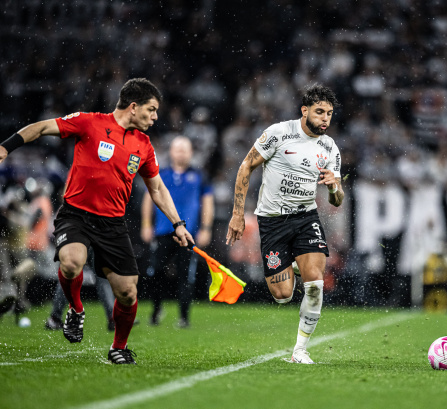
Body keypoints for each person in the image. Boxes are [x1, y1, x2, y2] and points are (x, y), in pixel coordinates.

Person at [0, 78, 194, 364]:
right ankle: (76, 310)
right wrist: (5, 147)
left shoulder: (144, 145)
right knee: (70, 262)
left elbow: (157, 188)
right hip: (76, 214)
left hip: (113, 224)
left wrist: (178, 223)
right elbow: (40, 128)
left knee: (128, 292)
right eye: (151, 110)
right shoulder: (89, 122)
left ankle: (119, 347)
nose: (155, 117)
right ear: (133, 106)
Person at [226, 84, 344, 364]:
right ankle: (293, 264)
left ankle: (300, 350)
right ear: (304, 111)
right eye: (319, 112)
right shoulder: (278, 133)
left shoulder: (329, 147)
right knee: (282, 295)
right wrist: (238, 213)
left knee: (315, 283)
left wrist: (333, 188)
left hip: (306, 218)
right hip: (272, 221)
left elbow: (338, 199)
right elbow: (246, 166)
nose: (325, 118)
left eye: (329, 113)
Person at [141, 136, 214, 328]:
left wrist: (206, 228)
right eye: (178, 149)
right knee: (154, 272)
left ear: (191, 153)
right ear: (171, 152)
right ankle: (156, 310)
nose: (181, 153)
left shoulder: (200, 175)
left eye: (184, 149)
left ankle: (184, 317)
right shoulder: (160, 173)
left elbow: (207, 202)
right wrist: (147, 224)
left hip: (189, 234)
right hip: (163, 231)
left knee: (186, 276)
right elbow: (149, 198)